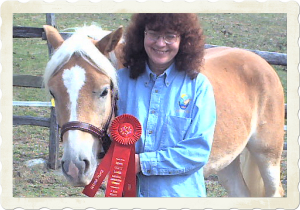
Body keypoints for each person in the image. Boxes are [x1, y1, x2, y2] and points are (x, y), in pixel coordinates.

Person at [117, 13, 216, 197]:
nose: (160, 43)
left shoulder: (198, 87)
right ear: (142, 35)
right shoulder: (120, 82)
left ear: (184, 40)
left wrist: (143, 163)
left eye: (170, 36)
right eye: (153, 34)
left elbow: (197, 152)